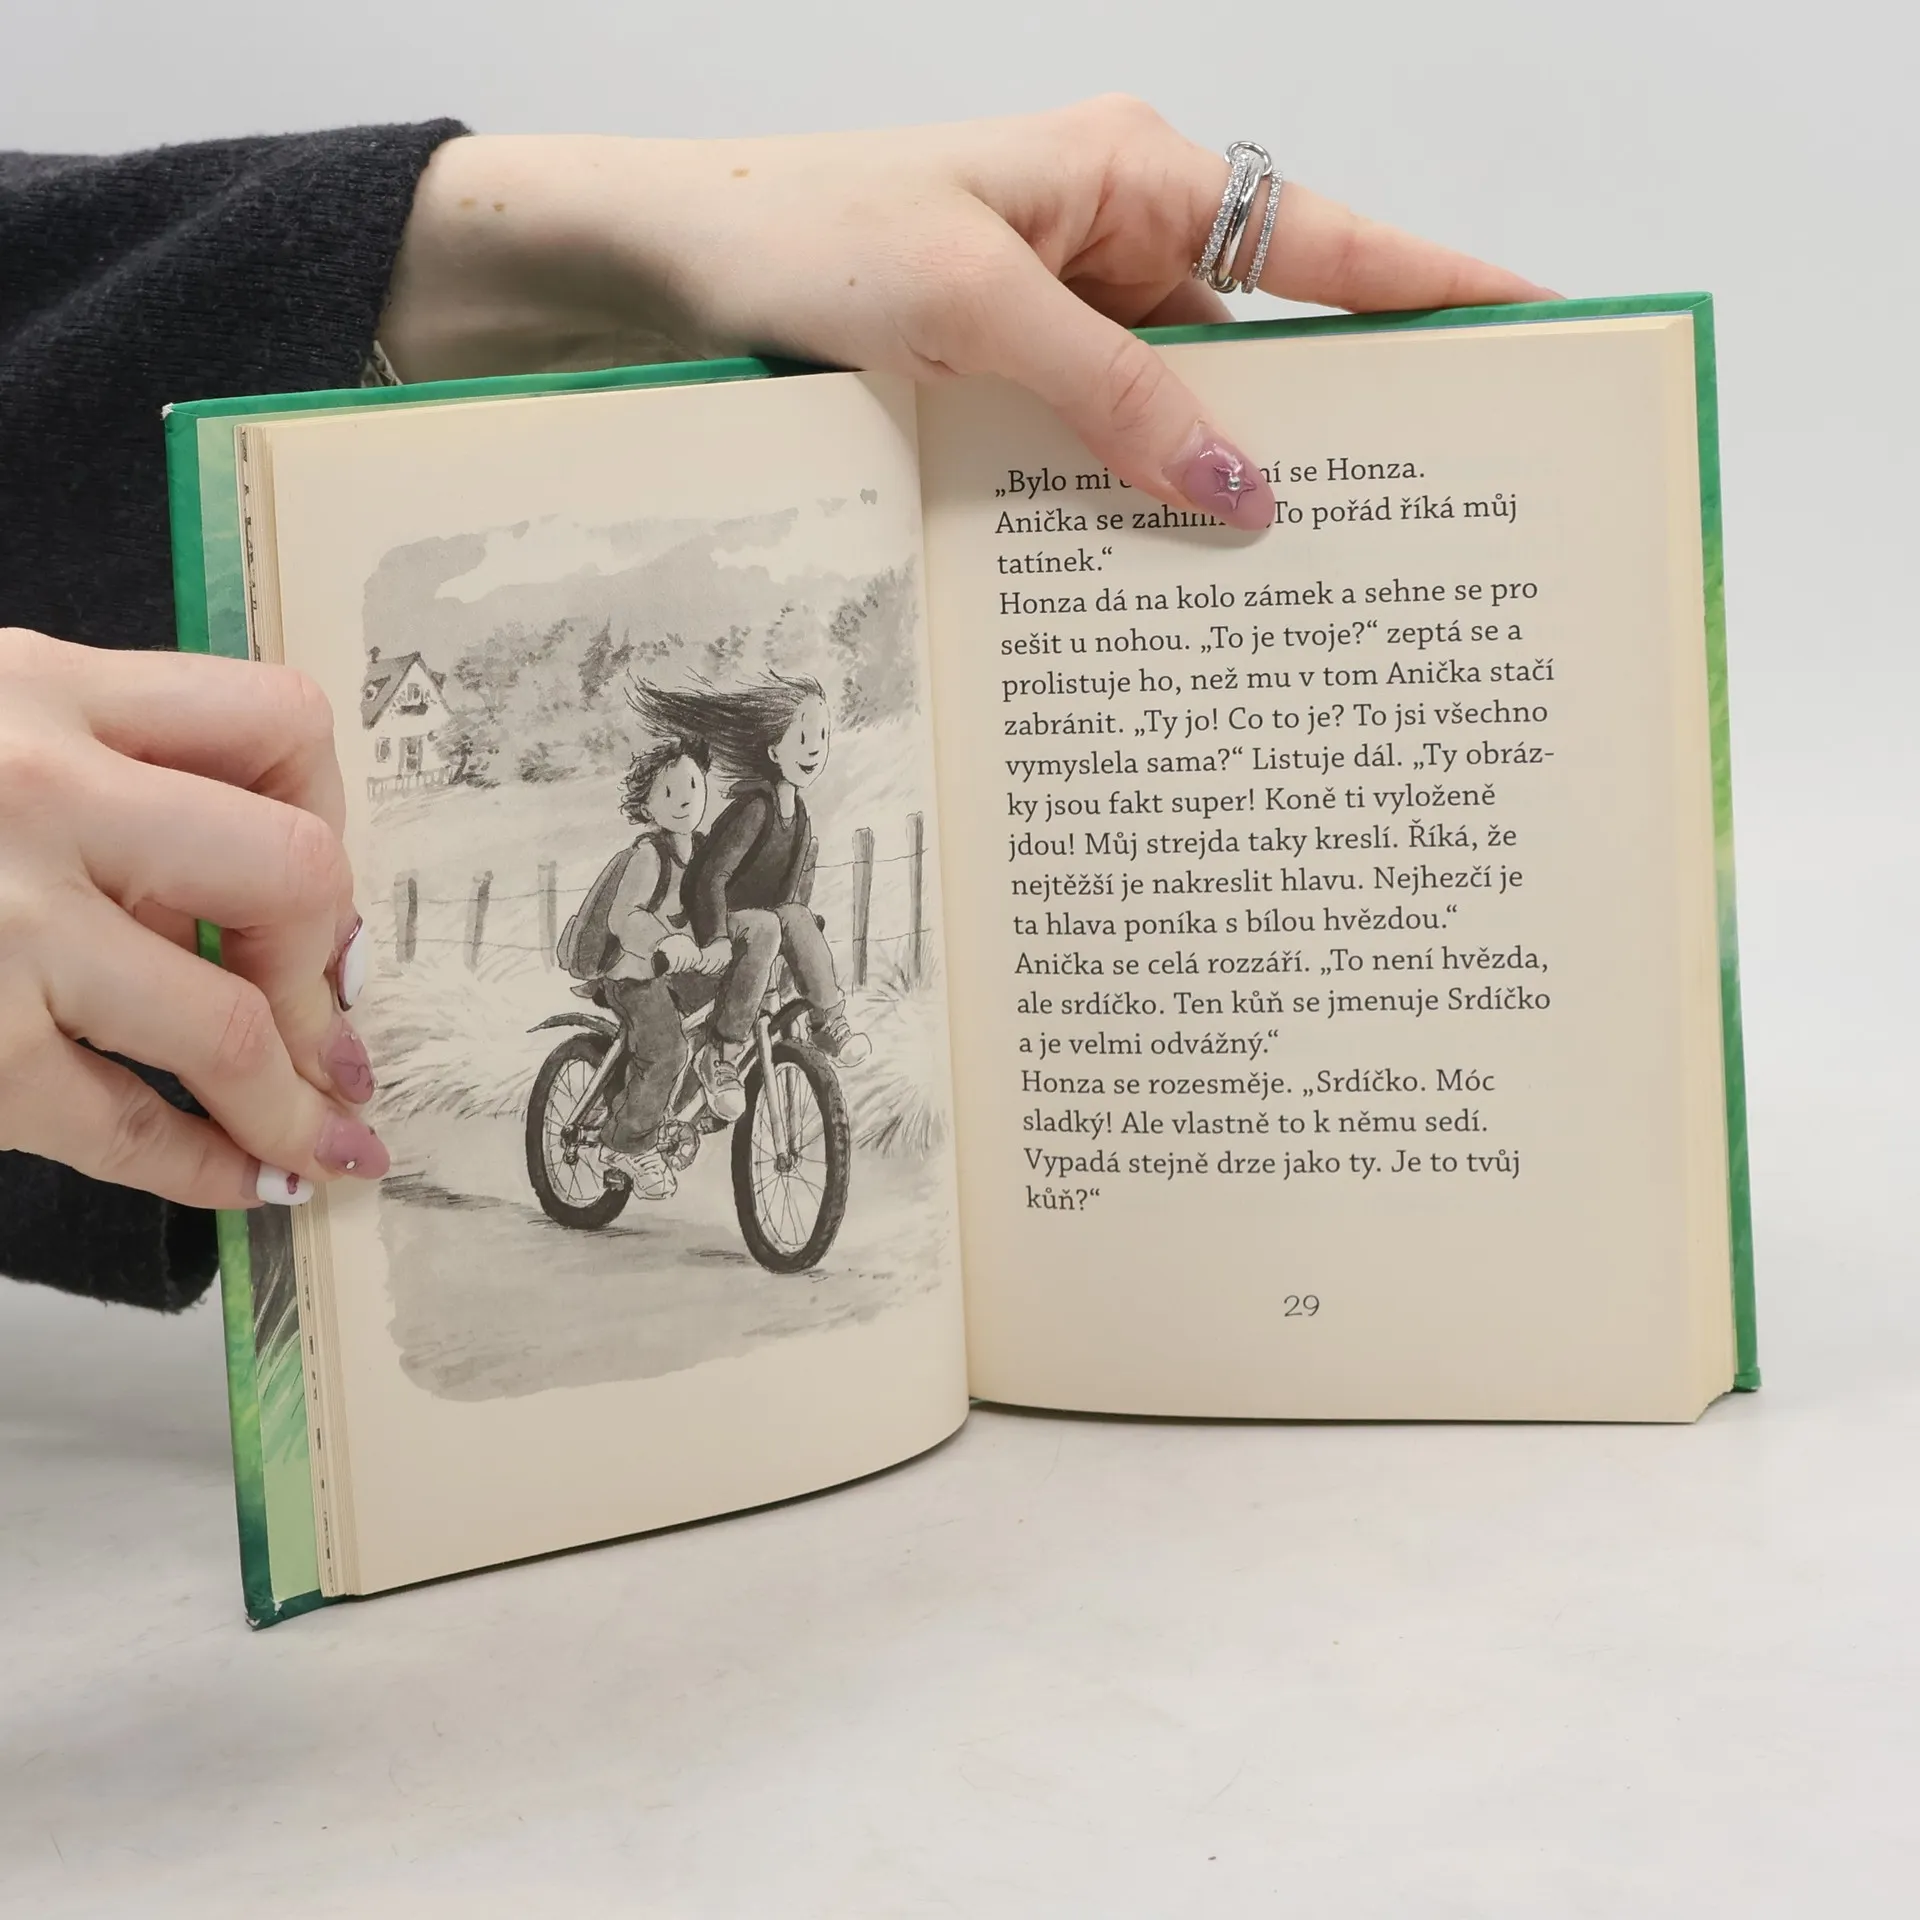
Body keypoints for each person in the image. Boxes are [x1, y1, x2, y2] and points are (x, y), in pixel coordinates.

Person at [0, 103, 1553, 1311]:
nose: (727, 785)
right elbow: (652, 922)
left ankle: (775, 1052)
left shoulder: (752, 813)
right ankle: (629, 1135)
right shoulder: (676, 838)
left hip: (717, 954)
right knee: (695, 1008)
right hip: (644, 976)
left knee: (775, 953)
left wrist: (597, 231)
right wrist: (689, 941)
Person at [630, 673, 869, 1122]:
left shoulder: (799, 817)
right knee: (766, 924)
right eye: (803, 737)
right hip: (710, 932)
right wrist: (718, 939)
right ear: (774, 751)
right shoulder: (755, 808)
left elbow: (787, 898)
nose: (815, 748)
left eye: (822, 736)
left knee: (794, 915)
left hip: (756, 934)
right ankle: (721, 1052)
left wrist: (797, 941)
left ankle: (828, 1021)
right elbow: (709, 879)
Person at [563, 737, 725, 1201]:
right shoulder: (649, 855)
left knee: (723, 1018)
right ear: (647, 805)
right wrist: (663, 941)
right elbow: (624, 917)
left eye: (693, 786)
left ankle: (672, 1113)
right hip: (634, 974)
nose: (684, 799)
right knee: (667, 1049)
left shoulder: (705, 853)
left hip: (678, 973)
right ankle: (628, 1144)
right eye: (669, 792)